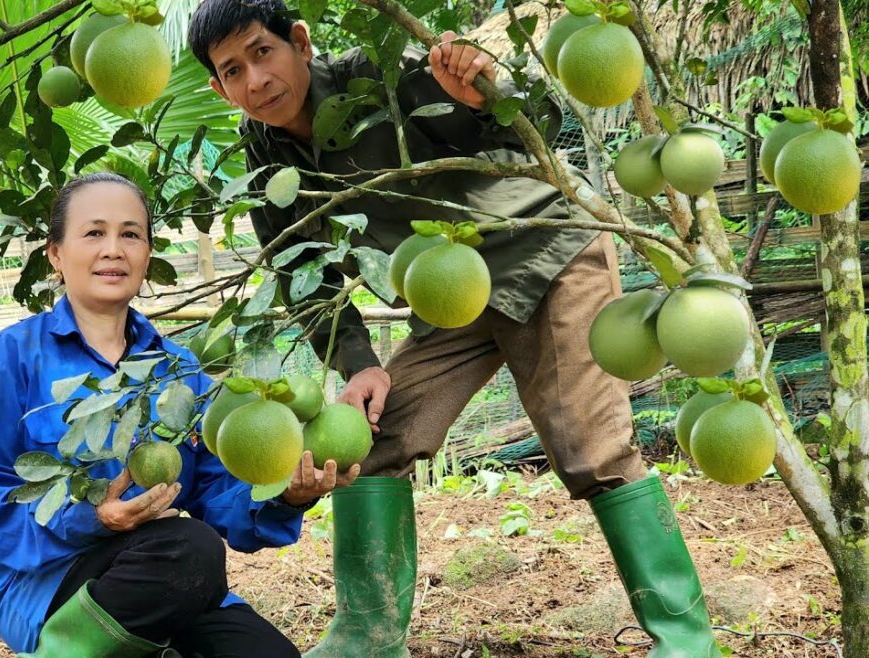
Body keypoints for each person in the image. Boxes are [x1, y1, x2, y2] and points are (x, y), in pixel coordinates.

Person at [188, 2, 722, 657]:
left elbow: (535, 120)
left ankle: (685, 639)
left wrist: (477, 95)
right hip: (451, 294)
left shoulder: (378, 78)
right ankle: (367, 634)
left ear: (299, 41)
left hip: (545, 250)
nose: (255, 80)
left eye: (262, 53)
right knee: (370, 441)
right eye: (232, 71)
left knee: (592, 448)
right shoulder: (264, 159)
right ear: (218, 88)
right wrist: (360, 364)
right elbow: (304, 273)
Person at [0, 172, 357, 658]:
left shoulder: (180, 371)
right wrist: (90, 518)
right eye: (94, 233)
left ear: (147, 254)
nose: (113, 249)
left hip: (169, 578)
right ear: (56, 255)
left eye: (130, 234)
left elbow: (218, 486)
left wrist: (285, 495)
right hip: (49, 582)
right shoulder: (12, 356)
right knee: (191, 546)